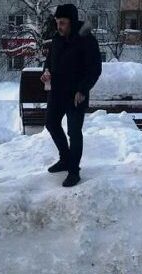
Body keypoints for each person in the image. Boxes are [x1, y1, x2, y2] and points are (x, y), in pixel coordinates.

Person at [40, 3, 102, 188]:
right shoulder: (57, 39)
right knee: (51, 124)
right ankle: (65, 159)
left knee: (74, 132)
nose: (59, 26)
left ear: (72, 22)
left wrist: (83, 90)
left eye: (63, 23)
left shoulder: (86, 39)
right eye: (57, 22)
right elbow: (49, 61)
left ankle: (74, 171)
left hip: (76, 94)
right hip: (58, 92)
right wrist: (46, 72)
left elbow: (95, 69)